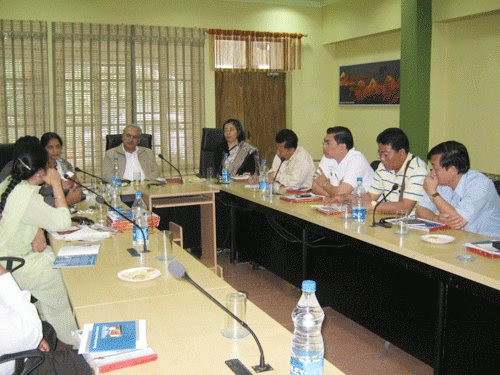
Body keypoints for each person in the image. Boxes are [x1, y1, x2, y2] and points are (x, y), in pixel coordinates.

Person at [0, 143, 78, 345]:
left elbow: (17, 217)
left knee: (58, 260)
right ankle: (71, 339)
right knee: (65, 278)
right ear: (42, 172)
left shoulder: (9, 184)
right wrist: (56, 184)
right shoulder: (26, 197)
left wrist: (37, 229)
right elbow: (63, 223)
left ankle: (46, 327)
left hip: (8, 260)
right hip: (15, 266)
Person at [0, 264, 92, 375]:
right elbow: (27, 336)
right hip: (13, 365)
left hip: (12, 344)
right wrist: (33, 338)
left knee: (48, 331)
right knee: (90, 363)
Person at [416, 141, 500, 237]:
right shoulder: (442, 182)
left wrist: (432, 192)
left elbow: (456, 222)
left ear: (451, 171)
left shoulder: (480, 184)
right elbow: (419, 211)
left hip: (489, 245)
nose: (432, 173)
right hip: (460, 240)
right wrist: (436, 219)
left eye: (436, 169)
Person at [365, 127, 428, 214]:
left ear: (402, 153)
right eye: (380, 154)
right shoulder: (382, 167)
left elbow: (405, 208)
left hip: (412, 224)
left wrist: (373, 205)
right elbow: (370, 197)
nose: (382, 159)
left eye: (386, 155)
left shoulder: (418, 169)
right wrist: (350, 198)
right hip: (389, 220)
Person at [312, 126, 373, 197]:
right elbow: (314, 187)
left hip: (365, 206)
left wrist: (324, 184)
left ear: (342, 147)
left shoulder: (357, 159)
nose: (324, 147)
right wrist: (335, 194)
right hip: (342, 204)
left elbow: (341, 192)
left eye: (328, 143)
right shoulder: (328, 157)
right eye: (324, 143)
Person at [41, 132, 83, 206]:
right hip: (50, 206)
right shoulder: (40, 168)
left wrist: (75, 183)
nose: (55, 151)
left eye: (58, 147)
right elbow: (42, 192)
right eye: (50, 147)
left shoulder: (65, 164)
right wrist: (60, 186)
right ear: (43, 149)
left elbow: (77, 182)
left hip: (70, 203)